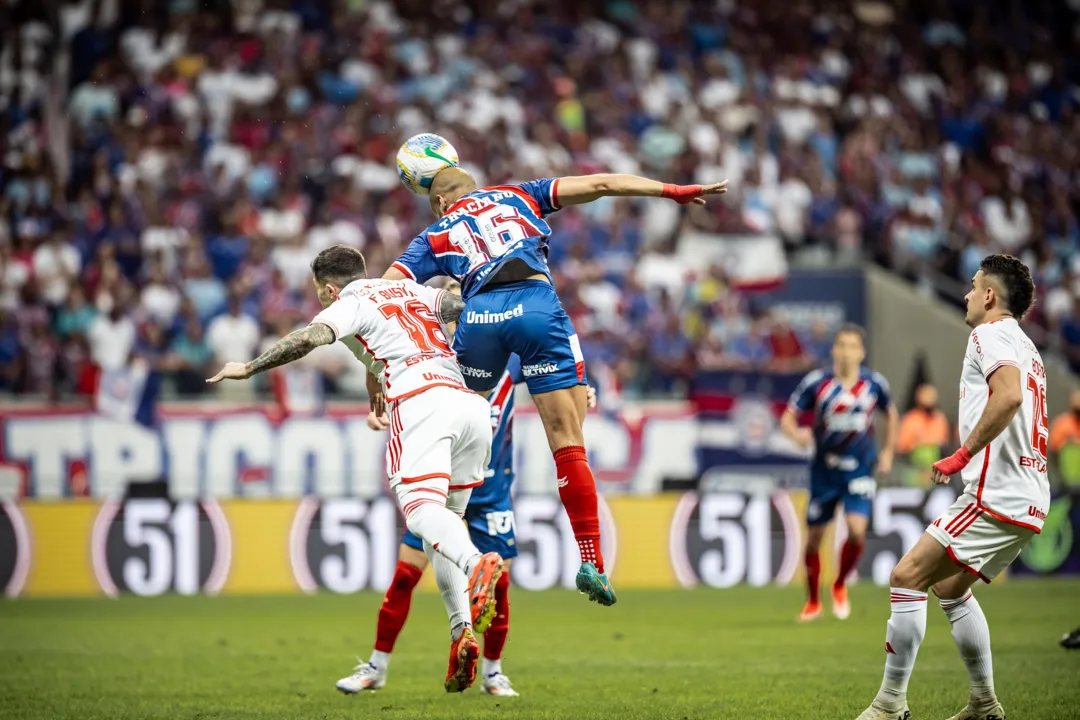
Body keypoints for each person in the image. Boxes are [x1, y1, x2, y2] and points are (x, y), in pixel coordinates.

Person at [382, 167, 728, 606]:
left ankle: (448, 542)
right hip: (535, 306)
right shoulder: (519, 194)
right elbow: (603, 184)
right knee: (568, 442)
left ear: (440, 202)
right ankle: (592, 562)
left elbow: (382, 294)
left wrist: (376, 371)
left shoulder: (433, 234)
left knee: (451, 425)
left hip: (479, 317)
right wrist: (672, 190)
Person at [207, 245, 502, 693]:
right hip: (469, 405)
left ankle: (478, 563)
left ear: (328, 288)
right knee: (445, 526)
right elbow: (461, 303)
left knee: (421, 513)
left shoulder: (350, 304)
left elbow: (307, 339)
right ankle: (461, 629)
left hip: (423, 405)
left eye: (317, 292)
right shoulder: (410, 291)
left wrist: (248, 368)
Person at [856, 255, 1050, 720]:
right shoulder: (1029, 348)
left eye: (972, 285)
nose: (965, 294)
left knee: (906, 577)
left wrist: (962, 454)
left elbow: (1007, 396)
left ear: (989, 296)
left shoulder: (989, 334)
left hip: (994, 493)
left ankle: (890, 705)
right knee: (950, 588)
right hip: (1029, 496)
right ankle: (984, 704)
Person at [781, 324, 899, 622]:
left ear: (861, 352)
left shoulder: (874, 384)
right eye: (841, 345)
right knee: (814, 539)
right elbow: (788, 418)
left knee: (857, 532)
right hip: (824, 471)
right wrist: (797, 435)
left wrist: (887, 452)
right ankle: (812, 601)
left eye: (852, 346)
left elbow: (892, 413)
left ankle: (840, 583)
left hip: (859, 469)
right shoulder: (817, 383)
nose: (846, 352)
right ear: (833, 350)